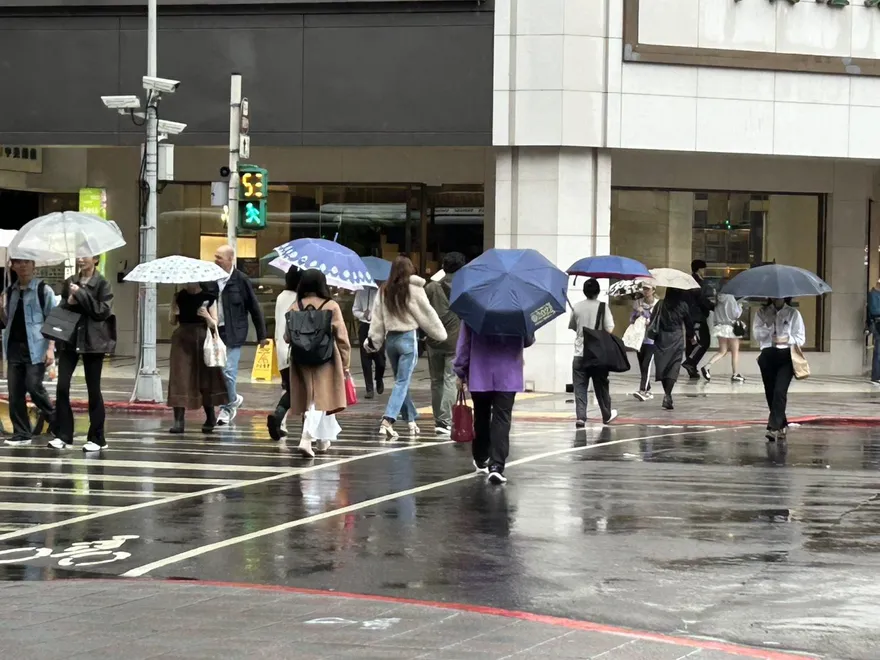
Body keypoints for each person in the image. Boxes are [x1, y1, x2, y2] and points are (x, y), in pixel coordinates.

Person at [367, 256, 446, 439]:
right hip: (408, 339)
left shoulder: (383, 290)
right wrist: (440, 334)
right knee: (402, 383)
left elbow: (377, 319)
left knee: (400, 383)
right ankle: (388, 421)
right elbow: (427, 314)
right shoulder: (414, 289)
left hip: (391, 340)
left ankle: (411, 420)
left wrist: (373, 341)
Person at [454, 323, 532, 484]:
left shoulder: (474, 309)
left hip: (480, 371)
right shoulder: (518, 310)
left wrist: (460, 371)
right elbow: (528, 340)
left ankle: (481, 456)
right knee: (502, 419)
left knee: (481, 415)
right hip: (508, 373)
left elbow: (464, 343)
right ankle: (496, 466)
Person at [51, 256, 114, 452]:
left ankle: (97, 438)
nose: (80, 259)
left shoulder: (103, 283)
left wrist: (82, 294)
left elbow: (102, 312)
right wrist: (69, 301)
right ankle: (63, 434)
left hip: (93, 342)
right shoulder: (70, 281)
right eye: (79, 254)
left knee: (93, 389)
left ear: (95, 259)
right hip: (70, 340)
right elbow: (62, 310)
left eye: (85, 255)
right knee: (62, 386)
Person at [286, 269, 351, 458]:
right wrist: (346, 362)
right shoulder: (331, 306)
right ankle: (307, 438)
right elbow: (342, 338)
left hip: (301, 358)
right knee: (319, 397)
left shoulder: (295, 306)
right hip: (326, 357)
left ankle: (323, 440)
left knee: (316, 397)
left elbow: (287, 336)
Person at [1, 259, 57, 447]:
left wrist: (50, 349)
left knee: (34, 387)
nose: (22, 266)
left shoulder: (43, 290)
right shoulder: (10, 292)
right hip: (14, 348)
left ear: (34, 266)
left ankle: (57, 423)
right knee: (15, 393)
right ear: (13, 266)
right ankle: (22, 433)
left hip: (36, 349)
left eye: (26, 263)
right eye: (18, 263)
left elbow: (53, 321)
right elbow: (6, 321)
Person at [212, 245, 268, 426]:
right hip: (215, 331)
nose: (216, 260)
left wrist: (262, 335)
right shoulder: (212, 279)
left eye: (219, 257)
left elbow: (254, 308)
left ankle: (227, 409)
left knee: (229, 371)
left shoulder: (241, 280)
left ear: (230, 260)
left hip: (235, 332)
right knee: (218, 371)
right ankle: (234, 398)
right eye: (215, 256)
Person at [167, 283, 228, 434]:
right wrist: (173, 312)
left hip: (203, 339)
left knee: (206, 378)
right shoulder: (178, 296)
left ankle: (210, 417)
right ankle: (178, 421)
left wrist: (206, 316)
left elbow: (215, 324)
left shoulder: (209, 298)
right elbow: (172, 322)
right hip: (182, 339)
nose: (188, 283)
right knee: (179, 377)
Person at [424, 251, 466, 436]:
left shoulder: (431, 287)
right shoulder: (464, 287)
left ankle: (438, 419)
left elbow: (423, 310)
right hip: (454, 340)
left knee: (436, 381)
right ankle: (445, 420)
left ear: (443, 266)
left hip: (433, 339)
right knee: (449, 379)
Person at [754, 298, 805, 442]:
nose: (777, 297)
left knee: (779, 391)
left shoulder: (793, 313)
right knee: (770, 391)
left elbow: (800, 338)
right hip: (767, 354)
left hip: (786, 356)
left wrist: (785, 339)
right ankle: (781, 424)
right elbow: (756, 335)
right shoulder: (762, 313)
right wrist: (768, 327)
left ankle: (773, 427)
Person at [568, 278, 618, 427]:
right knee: (601, 385)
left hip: (579, 353)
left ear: (584, 291)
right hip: (598, 355)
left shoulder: (576, 307)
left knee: (580, 387)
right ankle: (606, 414)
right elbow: (609, 329)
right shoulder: (603, 307)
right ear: (597, 292)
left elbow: (572, 327)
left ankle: (581, 417)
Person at [267, 267, 301, 440]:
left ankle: (281, 422)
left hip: (280, 347)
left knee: (287, 385)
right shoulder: (299, 299)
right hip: (294, 347)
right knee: (303, 387)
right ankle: (281, 417)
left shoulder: (281, 296)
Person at [652, 287, 695, 411]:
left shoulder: (660, 304)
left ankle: (667, 394)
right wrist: (692, 336)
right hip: (676, 337)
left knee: (663, 366)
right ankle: (668, 395)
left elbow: (653, 320)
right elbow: (689, 324)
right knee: (673, 366)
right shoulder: (683, 306)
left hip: (661, 338)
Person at [701, 280, 745, 383]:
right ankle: (735, 374)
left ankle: (707, 366)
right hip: (730, 328)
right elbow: (735, 314)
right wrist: (740, 306)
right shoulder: (730, 298)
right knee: (735, 352)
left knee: (722, 351)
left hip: (720, 328)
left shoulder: (718, 297)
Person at [682, 259, 715, 379]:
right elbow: (701, 300)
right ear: (699, 269)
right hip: (697, 317)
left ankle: (692, 369)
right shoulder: (696, 283)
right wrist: (714, 307)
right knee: (704, 342)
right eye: (704, 268)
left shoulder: (689, 281)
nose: (705, 271)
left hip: (689, 316)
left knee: (692, 342)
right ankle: (690, 362)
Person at [352, 283, 385, 399]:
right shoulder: (361, 291)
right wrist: (362, 314)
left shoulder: (381, 292)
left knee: (380, 358)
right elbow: (355, 309)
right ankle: (369, 388)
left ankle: (379, 377)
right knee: (365, 359)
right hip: (365, 326)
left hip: (378, 326)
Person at [631, 282, 658, 402]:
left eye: (648, 289)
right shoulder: (637, 303)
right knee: (642, 365)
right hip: (639, 338)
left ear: (653, 290)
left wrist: (645, 314)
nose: (646, 291)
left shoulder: (658, 304)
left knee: (646, 365)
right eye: (644, 289)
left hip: (651, 340)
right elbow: (631, 319)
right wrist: (637, 313)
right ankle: (648, 389)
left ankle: (642, 390)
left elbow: (657, 321)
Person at [868, 278, 880, 384]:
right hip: (878, 324)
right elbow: (874, 310)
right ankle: (876, 375)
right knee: (878, 351)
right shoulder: (873, 295)